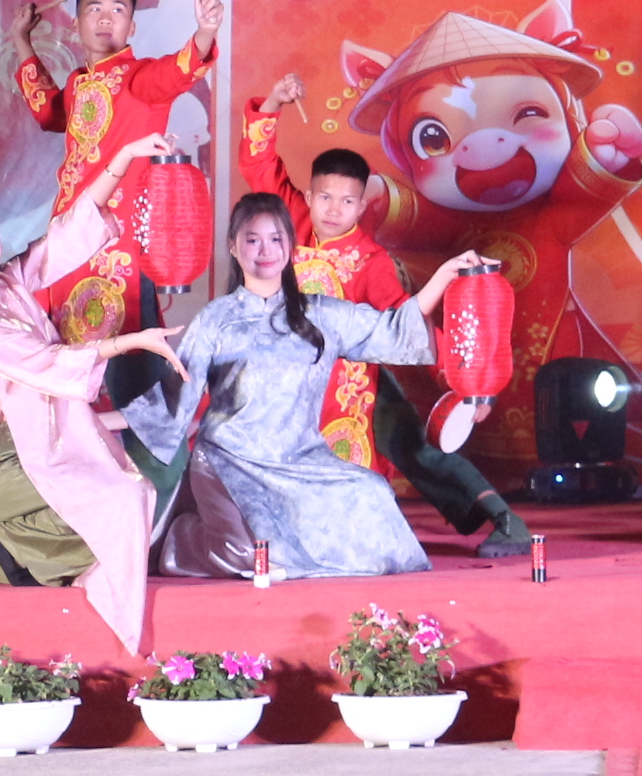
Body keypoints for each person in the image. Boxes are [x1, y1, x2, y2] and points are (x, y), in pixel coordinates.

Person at [131, 192, 500, 579]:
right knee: (254, 558)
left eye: (276, 239)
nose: (265, 250)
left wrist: (445, 275)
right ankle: (180, 542)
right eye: (252, 239)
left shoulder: (320, 314)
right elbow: (176, 396)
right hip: (229, 462)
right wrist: (102, 423)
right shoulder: (216, 319)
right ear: (234, 247)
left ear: (290, 247)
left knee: (371, 494)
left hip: (302, 461)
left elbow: (392, 329)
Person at [245, 74, 537, 556]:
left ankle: (505, 519)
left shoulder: (371, 261)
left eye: (346, 201)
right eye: (324, 198)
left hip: (354, 381)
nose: (333, 210)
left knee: (412, 448)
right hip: (292, 379)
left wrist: (469, 386)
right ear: (309, 197)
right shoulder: (292, 223)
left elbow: (408, 323)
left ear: (362, 205)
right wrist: (274, 100)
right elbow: (260, 167)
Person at [0, 133, 184, 652]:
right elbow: (41, 361)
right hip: (15, 459)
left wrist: (122, 158)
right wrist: (128, 341)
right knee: (117, 503)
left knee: (135, 497)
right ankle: (6, 545)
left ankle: (8, 553)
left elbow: (65, 237)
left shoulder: (5, 284)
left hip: (59, 436)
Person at [11, 0, 219, 358]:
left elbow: (179, 70)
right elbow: (49, 113)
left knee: (123, 356)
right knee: (64, 348)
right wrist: (22, 41)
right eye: (95, 8)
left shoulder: (141, 79)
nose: (106, 18)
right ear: (75, 25)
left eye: (118, 9)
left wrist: (205, 31)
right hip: (68, 231)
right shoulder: (77, 83)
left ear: (132, 26)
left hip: (118, 237)